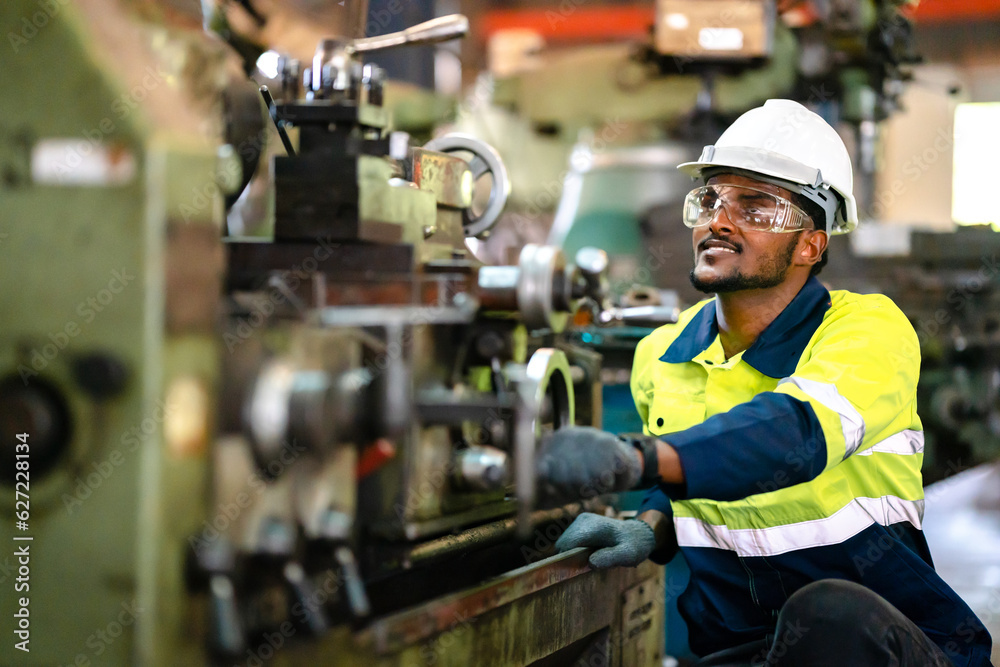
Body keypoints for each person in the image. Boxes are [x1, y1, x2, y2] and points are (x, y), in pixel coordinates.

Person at [536, 99, 994, 667]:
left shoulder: (868, 330)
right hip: (742, 655)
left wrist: (637, 458)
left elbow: (794, 435)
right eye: (711, 200)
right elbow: (692, 469)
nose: (718, 221)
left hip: (881, 649)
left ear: (811, 244)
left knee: (828, 614)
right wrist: (650, 524)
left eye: (755, 206)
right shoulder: (661, 355)